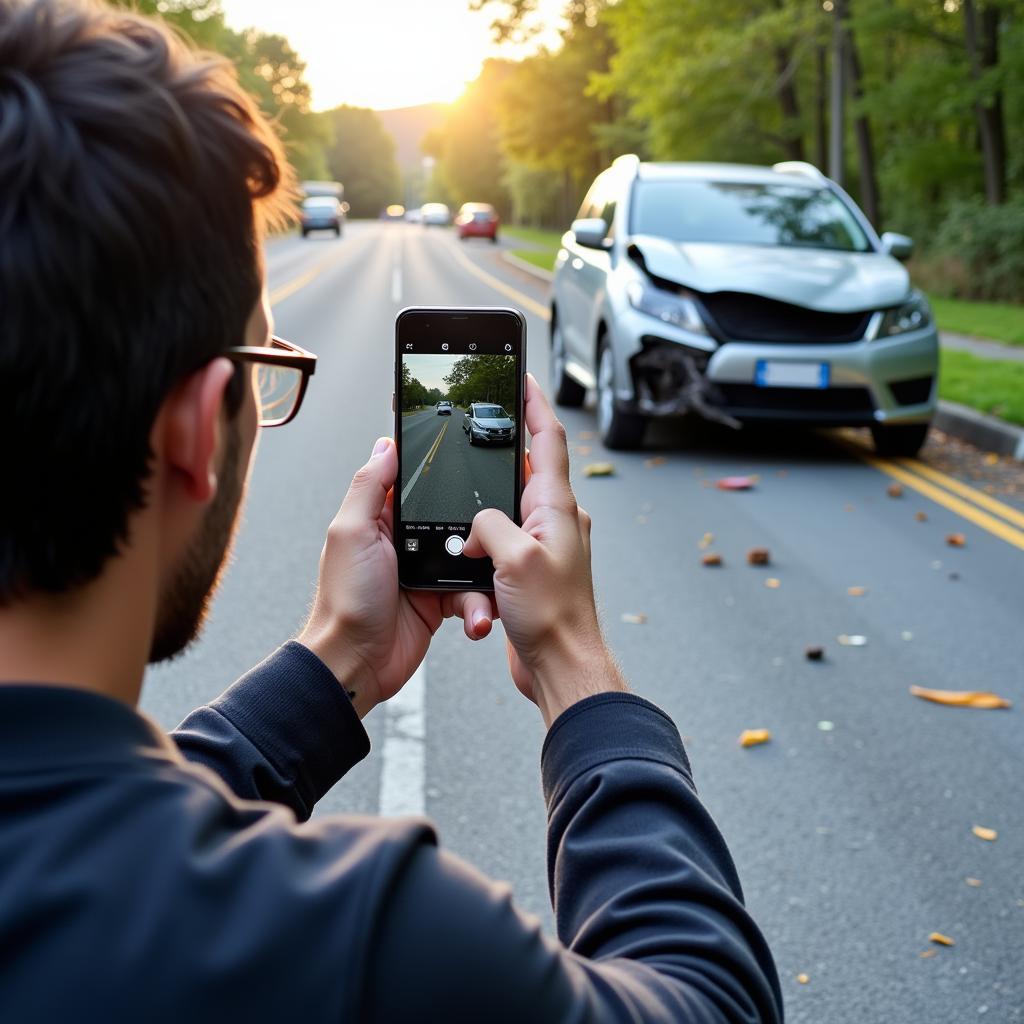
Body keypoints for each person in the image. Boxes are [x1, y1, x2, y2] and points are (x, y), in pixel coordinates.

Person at [0, 0, 783, 1020]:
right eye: (261, 367)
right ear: (200, 427)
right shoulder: (357, 941)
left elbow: (74, 831)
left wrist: (337, 662)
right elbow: (710, 1001)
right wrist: (577, 670)